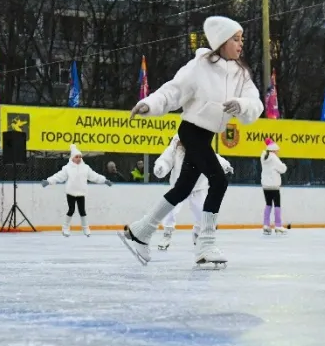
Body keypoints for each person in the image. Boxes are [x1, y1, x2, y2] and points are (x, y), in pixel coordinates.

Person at [118, 15, 263, 266]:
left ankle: (140, 231)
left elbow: (255, 103)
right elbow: (173, 90)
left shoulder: (241, 74)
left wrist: (240, 104)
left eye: (242, 39)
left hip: (206, 136)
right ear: (222, 42)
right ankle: (205, 244)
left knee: (183, 188)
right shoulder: (200, 66)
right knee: (219, 180)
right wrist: (150, 104)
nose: (241, 44)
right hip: (191, 131)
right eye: (236, 39)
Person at [153, 135, 233, 250]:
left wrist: (224, 165)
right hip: (179, 186)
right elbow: (165, 160)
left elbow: (214, 158)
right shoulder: (174, 149)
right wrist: (161, 168)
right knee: (171, 209)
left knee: (202, 211)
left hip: (198, 187)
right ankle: (167, 233)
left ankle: (197, 232)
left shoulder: (200, 148)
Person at [41, 144, 113, 237]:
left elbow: (94, 176)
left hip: (81, 193)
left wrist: (104, 180)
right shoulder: (67, 168)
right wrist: (48, 181)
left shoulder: (85, 168)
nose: (78, 158)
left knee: (82, 211)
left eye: (80, 157)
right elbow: (59, 176)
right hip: (71, 193)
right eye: (76, 157)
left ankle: (85, 228)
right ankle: (65, 228)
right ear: (72, 158)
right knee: (71, 210)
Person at [260, 137, 288, 235]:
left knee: (268, 204)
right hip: (274, 186)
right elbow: (283, 169)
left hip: (265, 186)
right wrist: (283, 165)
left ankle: (266, 225)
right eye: (277, 150)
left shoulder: (263, 156)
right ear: (274, 150)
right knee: (277, 204)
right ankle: (278, 225)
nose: (278, 152)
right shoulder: (274, 158)